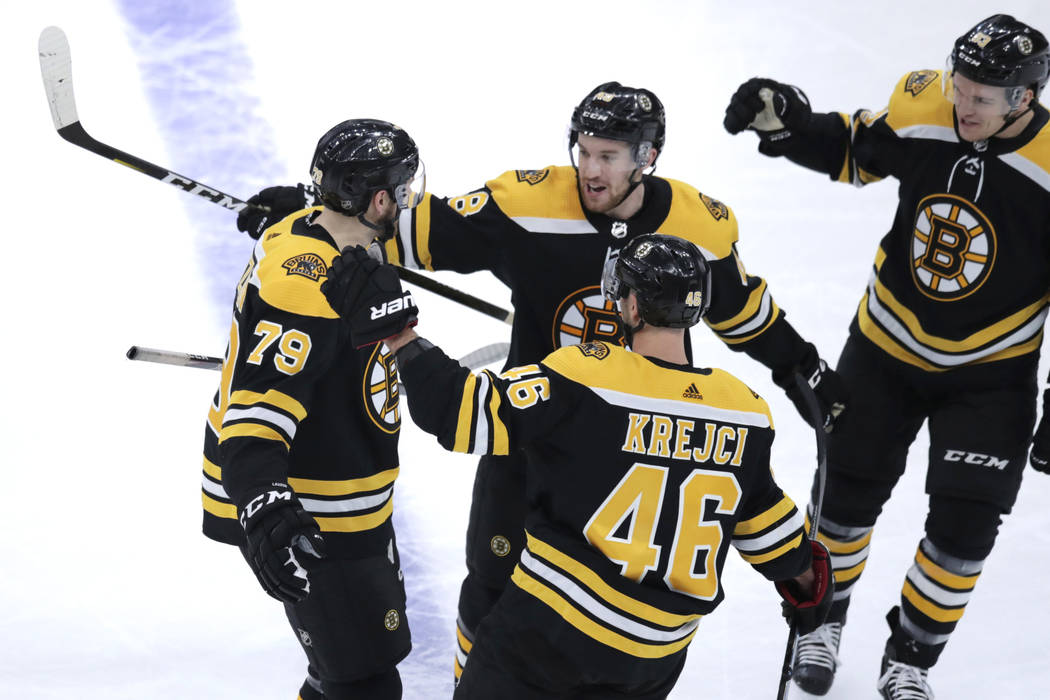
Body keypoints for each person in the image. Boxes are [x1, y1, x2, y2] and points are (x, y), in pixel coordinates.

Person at [239, 81, 847, 683]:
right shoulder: (528, 203)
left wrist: (804, 368)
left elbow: (744, 311)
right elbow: (411, 224)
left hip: (628, 449)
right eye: (582, 150)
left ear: (648, 157)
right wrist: (319, 210)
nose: (589, 168)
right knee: (491, 596)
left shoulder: (702, 226)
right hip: (522, 434)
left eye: (608, 155)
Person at [320, 232, 835, 698]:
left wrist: (400, 336)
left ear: (631, 304)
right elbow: (776, 537)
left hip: (549, 634)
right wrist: (808, 584)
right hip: (652, 662)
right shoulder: (741, 407)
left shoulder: (587, 376)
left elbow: (460, 414)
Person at [723, 14, 1050, 700]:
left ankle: (910, 660)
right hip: (886, 348)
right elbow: (857, 150)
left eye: (982, 99)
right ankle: (822, 623)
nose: (963, 105)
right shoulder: (925, 104)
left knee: (964, 535)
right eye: (960, 88)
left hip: (992, 377)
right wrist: (787, 125)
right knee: (843, 503)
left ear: (1025, 98)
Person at [201, 118, 426, 700]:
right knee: (366, 685)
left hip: (345, 482)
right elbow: (258, 410)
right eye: (400, 190)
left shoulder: (319, 229)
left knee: (341, 670)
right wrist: (264, 503)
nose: (407, 200)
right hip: (313, 510)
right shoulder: (308, 283)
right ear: (377, 200)